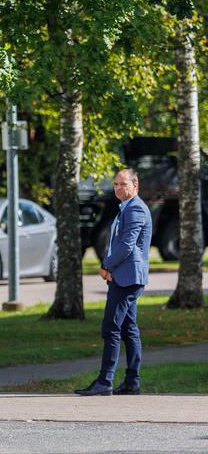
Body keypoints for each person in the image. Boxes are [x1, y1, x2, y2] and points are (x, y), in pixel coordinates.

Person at [75, 169, 152, 396]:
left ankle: (105, 380)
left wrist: (106, 265)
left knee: (111, 327)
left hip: (127, 278)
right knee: (129, 329)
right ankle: (132, 381)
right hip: (125, 276)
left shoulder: (136, 208)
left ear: (135, 186)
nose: (118, 188)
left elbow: (127, 245)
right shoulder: (126, 208)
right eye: (116, 184)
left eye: (123, 184)